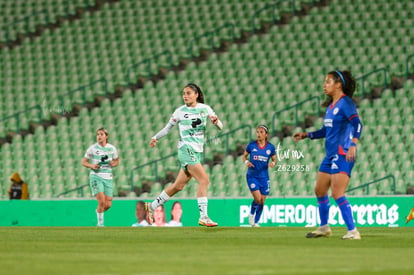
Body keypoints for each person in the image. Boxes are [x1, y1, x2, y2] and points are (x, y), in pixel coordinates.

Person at [293, 70, 363, 240]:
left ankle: (353, 231)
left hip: (343, 153)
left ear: (338, 84)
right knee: (319, 190)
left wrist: (353, 143)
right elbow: (326, 131)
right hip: (330, 155)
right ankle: (324, 227)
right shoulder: (331, 107)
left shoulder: (346, 103)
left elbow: (357, 124)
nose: (324, 85)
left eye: (328, 82)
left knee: (337, 193)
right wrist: (307, 135)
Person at [145, 83, 223, 227]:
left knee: (178, 186)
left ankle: (152, 207)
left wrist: (216, 122)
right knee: (204, 180)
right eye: (184, 94)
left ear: (196, 94)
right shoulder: (179, 111)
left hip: (196, 151)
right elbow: (167, 128)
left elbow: (220, 127)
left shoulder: (205, 109)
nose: (185, 96)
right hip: (186, 149)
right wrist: (155, 137)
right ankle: (204, 216)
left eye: (188, 93)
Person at [82, 127, 119, 227]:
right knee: (102, 201)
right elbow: (84, 162)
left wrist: (113, 163)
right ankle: (100, 224)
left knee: (108, 205)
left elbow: (117, 161)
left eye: (101, 134)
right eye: (98, 134)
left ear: (106, 136)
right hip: (96, 176)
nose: (99, 136)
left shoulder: (112, 148)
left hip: (108, 177)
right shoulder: (92, 148)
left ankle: (98, 211)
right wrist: (92, 166)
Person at [242, 125, 276, 227]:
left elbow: (274, 159)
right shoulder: (251, 145)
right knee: (257, 199)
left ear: (266, 134)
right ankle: (251, 214)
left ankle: (256, 222)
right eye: (257, 132)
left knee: (262, 201)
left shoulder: (270, 147)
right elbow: (244, 156)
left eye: (261, 132)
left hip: (264, 177)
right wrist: (246, 162)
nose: (259, 134)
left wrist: (273, 163)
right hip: (252, 176)